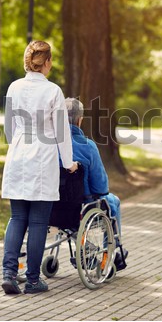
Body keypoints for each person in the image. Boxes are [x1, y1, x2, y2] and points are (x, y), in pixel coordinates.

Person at [1, 40, 78, 295]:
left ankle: (9, 274)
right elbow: (61, 133)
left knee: (16, 217)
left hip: (18, 156)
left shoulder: (14, 87)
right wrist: (69, 163)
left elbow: (10, 129)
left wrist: (19, 146)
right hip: (42, 159)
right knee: (37, 222)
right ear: (47, 63)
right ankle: (33, 280)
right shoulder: (53, 91)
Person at [64, 97, 128, 270]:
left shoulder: (50, 144)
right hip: (82, 205)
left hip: (53, 205)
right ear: (80, 120)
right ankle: (114, 251)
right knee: (113, 200)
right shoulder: (88, 146)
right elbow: (101, 187)